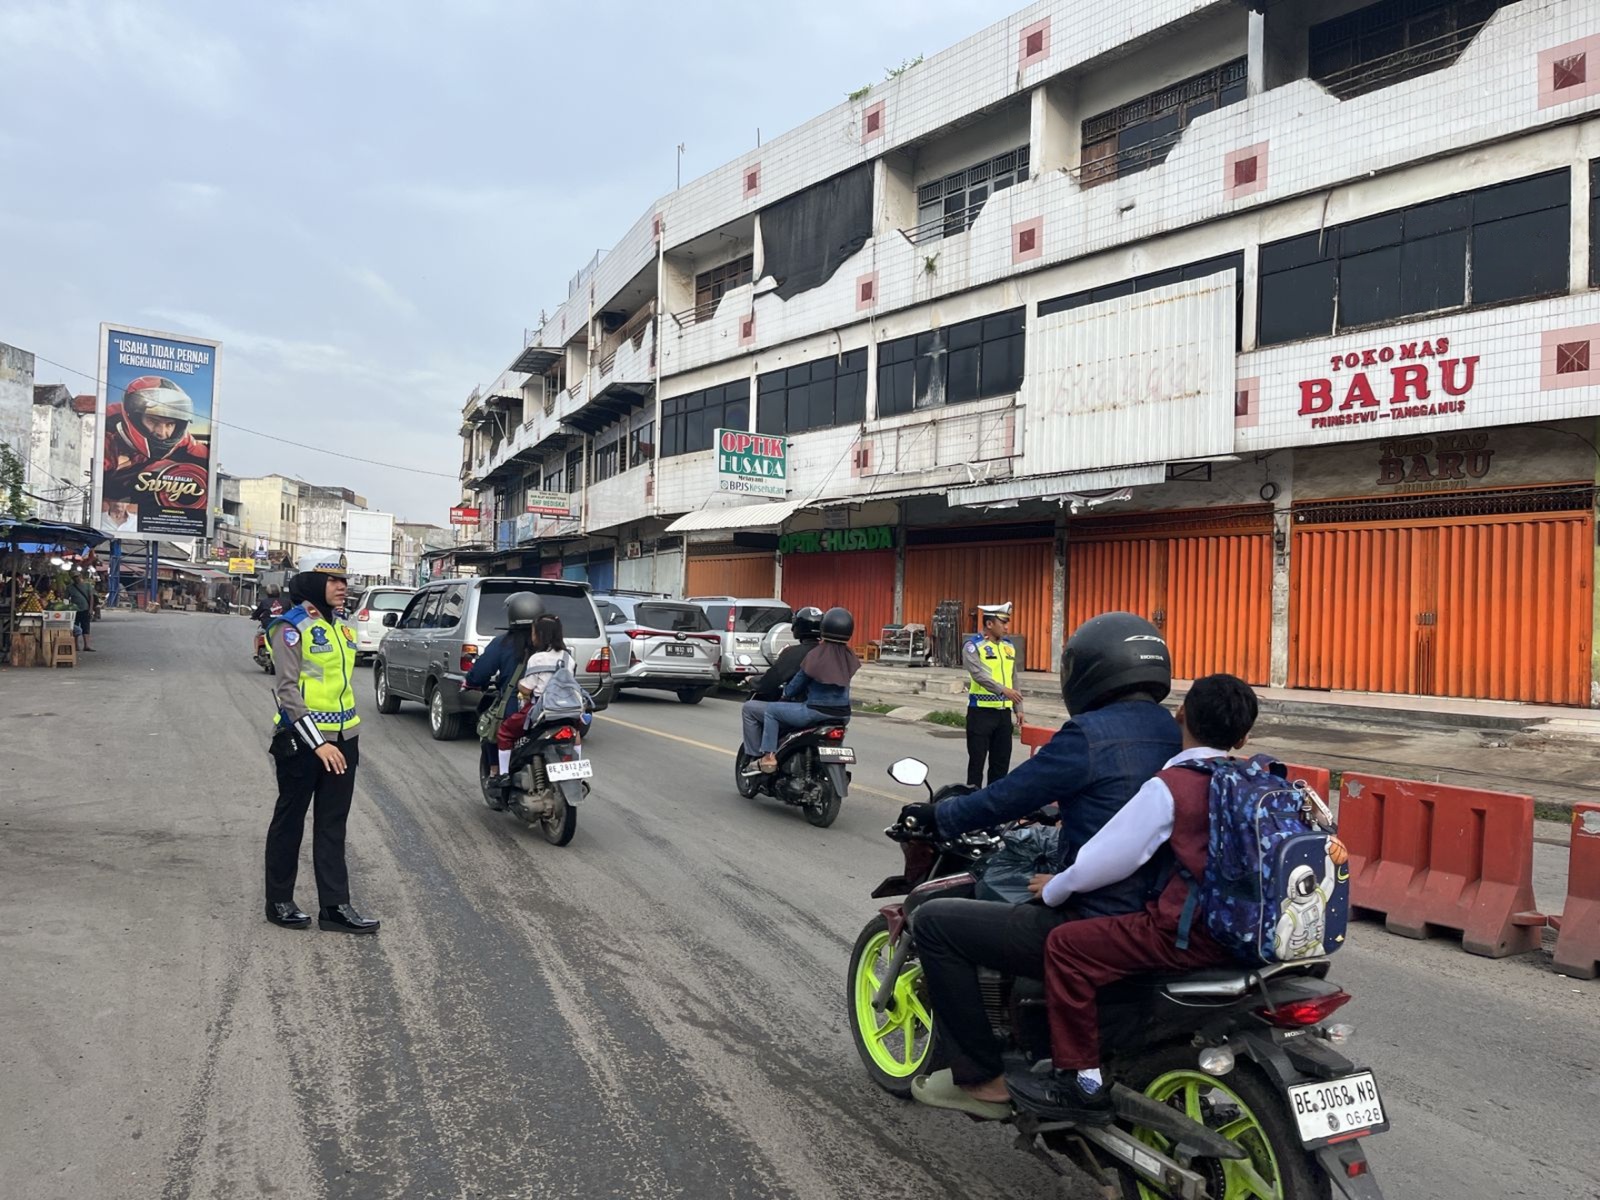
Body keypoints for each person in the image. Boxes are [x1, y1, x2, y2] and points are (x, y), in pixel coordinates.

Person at [1008, 675, 1351, 1122]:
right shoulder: (1259, 781)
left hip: (1193, 935)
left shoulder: (1173, 785)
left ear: (1180, 715)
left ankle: (1081, 1081)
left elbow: (1105, 860)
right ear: (1244, 736)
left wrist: (1054, 888)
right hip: (1255, 933)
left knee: (1066, 946)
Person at [900, 611, 1180, 1119]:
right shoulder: (1172, 730)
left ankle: (981, 1078)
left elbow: (1004, 797)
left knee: (935, 923)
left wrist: (940, 816)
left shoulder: (1088, 735)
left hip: (1097, 918)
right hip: (1160, 914)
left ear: (1089, 671)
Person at [262, 552, 378, 934]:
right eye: (332, 580)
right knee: (290, 821)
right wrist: (319, 744)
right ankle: (279, 900)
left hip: (345, 739)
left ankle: (335, 907)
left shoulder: (342, 628)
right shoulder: (289, 627)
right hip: (302, 742)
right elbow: (287, 691)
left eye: (343, 580)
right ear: (312, 583)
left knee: (333, 824)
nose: (342, 586)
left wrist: (342, 741)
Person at [749, 607, 859, 775]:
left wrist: (786, 694)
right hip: (843, 715)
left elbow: (794, 687)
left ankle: (768, 757)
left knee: (771, 710)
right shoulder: (850, 657)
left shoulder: (816, 655)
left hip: (815, 712)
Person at [487, 611, 575, 793]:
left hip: (542, 710)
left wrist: (520, 684)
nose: (532, 636)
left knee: (504, 732)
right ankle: (575, 772)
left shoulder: (537, 658)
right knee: (577, 736)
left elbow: (527, 688)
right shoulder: (568, 658)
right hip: (568, 711)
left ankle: (503, 775)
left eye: (534, 632)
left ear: (541, 635)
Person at [101, 376, 209, 515]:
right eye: (153, 420)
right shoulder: (106, 429)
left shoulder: (184, 442)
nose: (162, 433)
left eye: (170, 424)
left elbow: (205, 457)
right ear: (134, 415)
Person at [741, 606, 823, 760]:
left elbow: (771, 680)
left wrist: (752, 680)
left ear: (797, 627)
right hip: (835, 712)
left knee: (750, 708)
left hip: (803, 709)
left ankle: (757, 758)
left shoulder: (794, 653)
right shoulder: (834, 654)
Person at [67, 573, 95, 652]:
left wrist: (90, 608)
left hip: (85, 609)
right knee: (75, 628)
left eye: (77, 576)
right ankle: (76, 645)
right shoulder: (70, 587)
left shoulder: (87, 586)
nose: (76, 578)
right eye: (74, 577)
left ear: (80, 576)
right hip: (74, 610)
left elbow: (91, 597)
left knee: (86, 627)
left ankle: (86, 645)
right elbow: (65, 598)